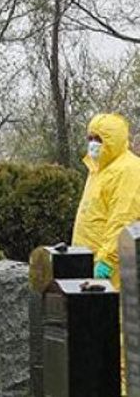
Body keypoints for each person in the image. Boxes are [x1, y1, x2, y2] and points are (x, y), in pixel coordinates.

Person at [72, 113, 140, 290]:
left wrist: (107, 260)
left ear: (112, 139)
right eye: (90, 138)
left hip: (110, 266)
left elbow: (123, 219)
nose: (93, 143)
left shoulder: (129, 170)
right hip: (87, 261)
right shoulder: (97, 169)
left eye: (99, 138)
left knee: (115, 313)